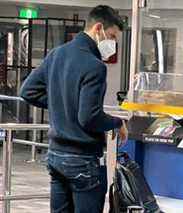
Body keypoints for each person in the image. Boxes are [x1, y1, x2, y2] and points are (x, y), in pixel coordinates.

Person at [20, 5, 128, 213]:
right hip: (81, 159)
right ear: (99, 29)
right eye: (112, 36)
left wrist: (62, 104)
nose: (113, 43)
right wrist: (117, 122)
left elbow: (28, 91)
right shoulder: (94, 66)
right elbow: (89, 117)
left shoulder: (57, 54)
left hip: (55, 155)